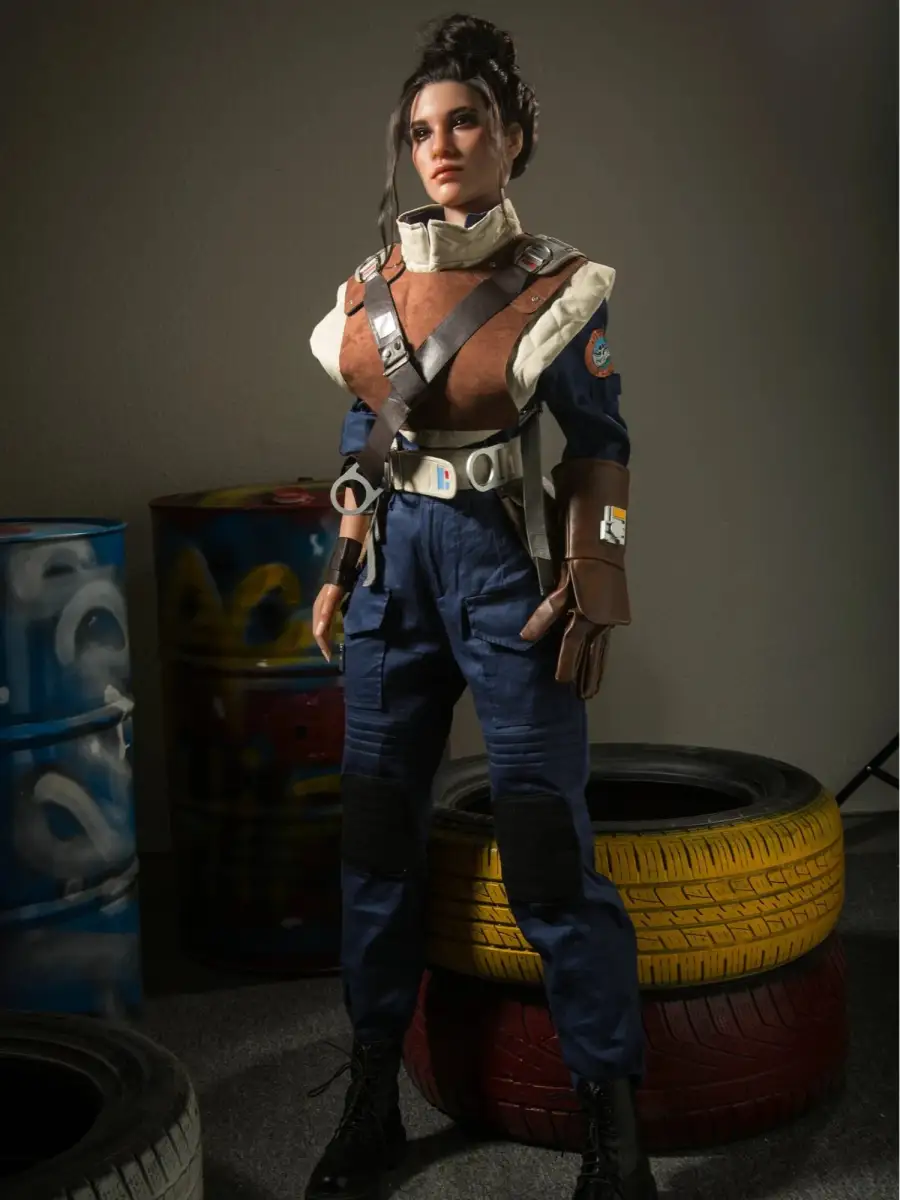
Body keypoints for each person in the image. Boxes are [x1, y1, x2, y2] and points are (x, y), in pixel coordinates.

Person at [306, 13, 658, 1200]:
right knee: (374, 839)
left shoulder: (558, 286)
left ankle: (615, 1134)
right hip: (393, 575)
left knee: (547, 846)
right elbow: (365, 430)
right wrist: (342, 558)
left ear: (513, 138)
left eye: (466, 123)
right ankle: (371, 1099)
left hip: (506, 575)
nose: (442, 146)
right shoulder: (370, 291)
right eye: (422, 130)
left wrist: (595, 580)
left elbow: (601, 446)